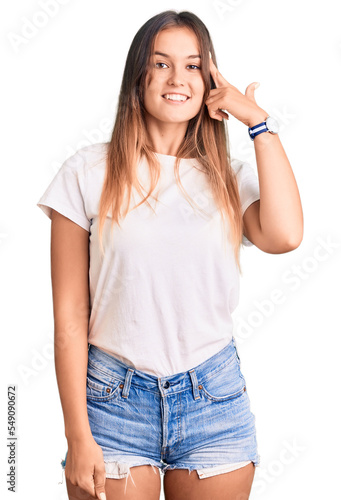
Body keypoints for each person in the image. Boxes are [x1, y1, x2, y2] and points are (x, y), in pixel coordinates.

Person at [36, 9, 303, 500]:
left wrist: (258, 122)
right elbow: (70, 316)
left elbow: (285, 236)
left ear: (209, 81)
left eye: (193, 65)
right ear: (138, 77)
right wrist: (78, 435)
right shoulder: (86, 172)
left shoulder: (228, 175)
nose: (177, 78)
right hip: (112, 402)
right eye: (160, 64)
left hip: (213, 398)